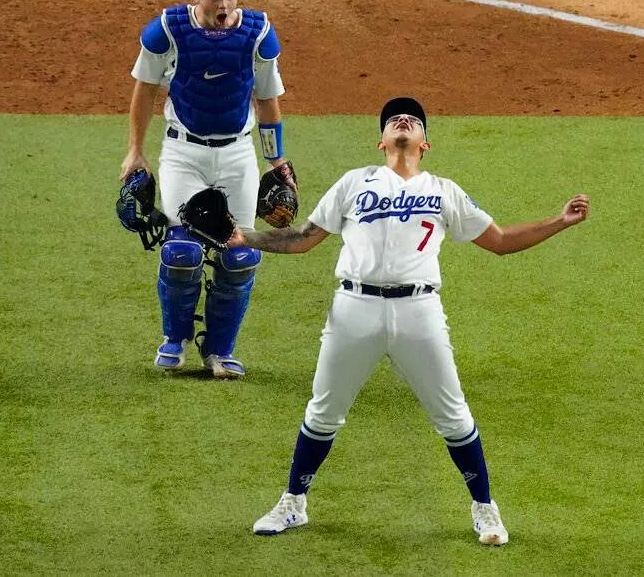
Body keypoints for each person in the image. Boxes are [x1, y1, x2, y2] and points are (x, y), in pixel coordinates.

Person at [228, 96, 590, 545]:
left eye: (413, 121)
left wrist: (559, 221)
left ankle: (485, 510)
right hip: (352, 309)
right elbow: (303, 238)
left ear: (426, 143)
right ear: (381, 142)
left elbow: (499, 241)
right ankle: (293, 503)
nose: (404, 121)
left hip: (419, 311)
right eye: (395, 120)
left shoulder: (444, 191)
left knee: (453, 416)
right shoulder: (352, 183)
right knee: (323, 413)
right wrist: (245, 236)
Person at [119, 0, 295, 379]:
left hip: (237, 155)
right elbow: (143, 92)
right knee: (182, 252)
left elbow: (268, 101)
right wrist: (135, 151)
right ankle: (174, 340)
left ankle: (219, 351)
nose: (223, 4)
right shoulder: (166, 31)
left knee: (241, 254)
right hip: (184, 154)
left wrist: (276, 159)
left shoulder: (258, 36)